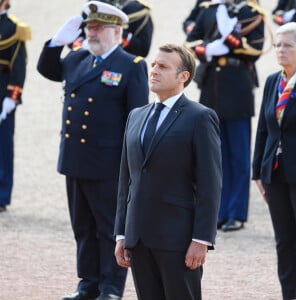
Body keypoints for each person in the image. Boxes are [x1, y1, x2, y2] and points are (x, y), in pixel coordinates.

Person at [37, 1, 149, 300]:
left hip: (108, 163)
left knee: (107, 229)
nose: (92, 33)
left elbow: (135, 119)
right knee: (82, 227)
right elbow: (48, 69)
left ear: (116, 31)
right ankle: (87, 283)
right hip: (75, 159)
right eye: (89, 28)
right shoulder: (78, 59)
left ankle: (111, 288)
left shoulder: (131, 65)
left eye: (98, 28)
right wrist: (55, 43)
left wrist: (132, 166)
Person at [114, 43, 222, 300]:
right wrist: (121, 233)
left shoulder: (200, 117)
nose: (154, 70)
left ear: (183, 76)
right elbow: (125, 180)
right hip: (138, 238)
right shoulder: (136, 116)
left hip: (178, 240)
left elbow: (210, 183)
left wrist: (201, 239)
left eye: (163, 66)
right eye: (153, 65)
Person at [185, 0, 265, 231]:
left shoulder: (251, 12)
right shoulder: (209, 10)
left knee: (238, 155)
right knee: (212, 155)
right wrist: (207, 49)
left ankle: (236, 212)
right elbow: (191, 40)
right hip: (212, 86)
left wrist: (230, 37)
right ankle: (217, 211)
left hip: (237, 85)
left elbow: (255, 48)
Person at [252, 22, 296, 300]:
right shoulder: (273, 81)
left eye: (288, 45)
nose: (280, 50)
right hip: (276, 173)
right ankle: (289, 295)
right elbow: (263, 129)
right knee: (284, 241)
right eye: (278, 45)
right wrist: (258, 170)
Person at [0, 0, 31, 212]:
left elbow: (18, 67)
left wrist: (11, 98)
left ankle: (1, 195)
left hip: (1, 94)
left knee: (2, 146)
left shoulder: (14, 28)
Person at [73, 0, 153, 57]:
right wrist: (85, 45)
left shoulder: (138, 10)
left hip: (122, 66)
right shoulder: (94, 6)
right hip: (88, 61)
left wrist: (116, 32)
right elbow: (75, 38)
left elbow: (143, 49)